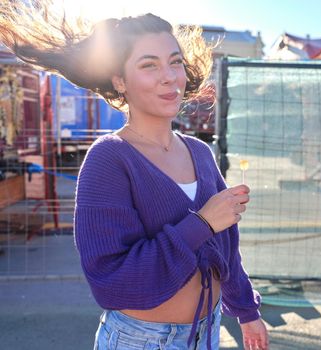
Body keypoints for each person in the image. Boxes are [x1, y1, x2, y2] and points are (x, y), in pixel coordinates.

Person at [0, 2, 269, 349]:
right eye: (149, 65)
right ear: (120, 81)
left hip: (207, 333)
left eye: (175, 62)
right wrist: (201, 223)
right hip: (142, 340)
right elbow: (113, 281)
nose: (169, 76)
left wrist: (247, 311)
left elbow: (225, 250)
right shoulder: (108, 160)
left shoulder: (201, 154)